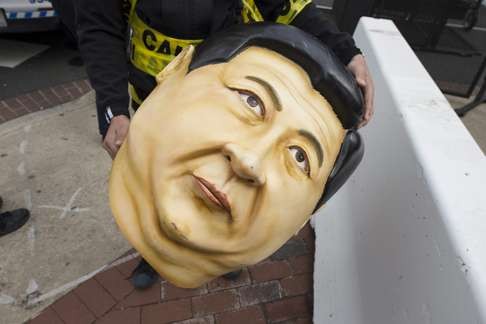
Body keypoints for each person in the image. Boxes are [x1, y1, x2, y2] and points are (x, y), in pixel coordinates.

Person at [74, 0, 374, 289]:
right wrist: (114, 110)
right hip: (157, 97)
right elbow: (99, 26)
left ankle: (217, 253)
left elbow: (287, 5)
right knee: (160, 182)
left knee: (230, 188)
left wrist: (348, 52)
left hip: (225, 99)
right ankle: (152, 251)